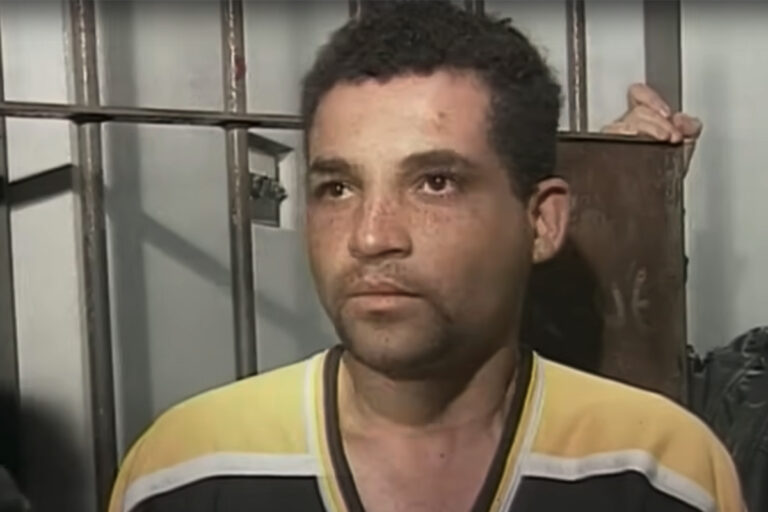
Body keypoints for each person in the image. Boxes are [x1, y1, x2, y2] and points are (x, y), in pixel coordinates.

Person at [109, 3, 742, 511]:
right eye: (338, 187)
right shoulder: (187, 470)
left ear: (541, 222)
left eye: (436, 182)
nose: (370, 237)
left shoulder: (662, 471)